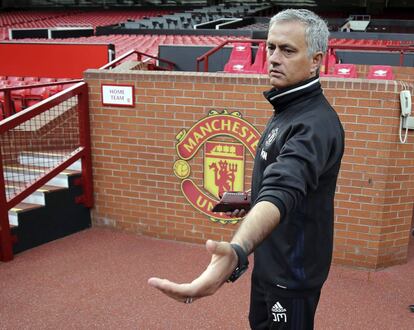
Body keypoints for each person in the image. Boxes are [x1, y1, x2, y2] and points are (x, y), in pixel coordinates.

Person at [148, 8, 345, 329]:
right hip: (269, 264)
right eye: (270, 47)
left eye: (288, 50)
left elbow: (284, 188)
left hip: (291, 277)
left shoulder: (315, 124)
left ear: (315, 61)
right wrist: (252, 199)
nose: (274, 58)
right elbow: (279, 187)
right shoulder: (287, 107)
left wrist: (238, 250)